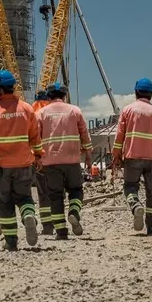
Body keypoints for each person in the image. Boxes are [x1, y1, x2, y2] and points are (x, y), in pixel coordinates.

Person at [0, 70, 42, 251]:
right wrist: (38, 156)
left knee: (4, 202)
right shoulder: (27, 108)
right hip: (24, 163)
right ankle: (28, 215)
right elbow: (35, 137)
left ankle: (11, 240)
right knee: (24, 197)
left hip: (1, 165)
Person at [111, 77, 152, 235]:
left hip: (133, 156)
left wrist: (116, 156)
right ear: (151, 94)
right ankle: (151, 227)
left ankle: (135, 205)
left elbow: (119, 137)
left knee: (130, 187)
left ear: (136, 92)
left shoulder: (128, 111)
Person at [36, 82, 93, 239]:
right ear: (64, 95)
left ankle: (61, 232)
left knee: (55, 196)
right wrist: (88, 155)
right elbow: (85, 135)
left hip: (50, 162)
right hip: (72, 159)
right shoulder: (75, 111)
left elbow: (35, 138)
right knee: (76, 190)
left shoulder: (41, 113)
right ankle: (74, 211)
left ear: (48, 96)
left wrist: (37, 158)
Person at [31, 88, 55, 235]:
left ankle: (47, 226)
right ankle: (60, 222)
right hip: (58, 158)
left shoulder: (33, 110)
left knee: (43, 193)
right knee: (57, 192)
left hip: (39, 158)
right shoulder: (53, 109)